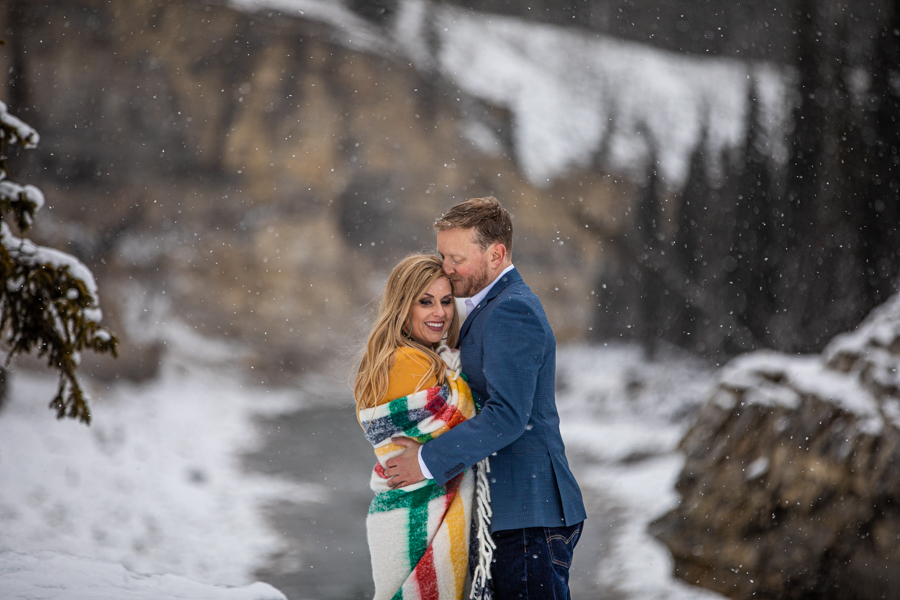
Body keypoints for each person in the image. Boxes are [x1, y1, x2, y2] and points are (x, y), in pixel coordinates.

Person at [384, 197, 587, 599]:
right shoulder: (489, 307)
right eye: (442, 255)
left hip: (527, 514)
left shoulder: (512, 311)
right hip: (514, 515)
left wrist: (425, 461)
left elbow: (509, 416)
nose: (446, 268)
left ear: (496, 254)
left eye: (456, 257)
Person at [354, 253, 492, 600]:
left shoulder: (422, 357)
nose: (440, 313)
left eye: (446, 301)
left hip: (403, 513)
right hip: (416, 516)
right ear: (403, 306)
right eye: (425, 302)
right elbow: (471, 428)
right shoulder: (408, 360)